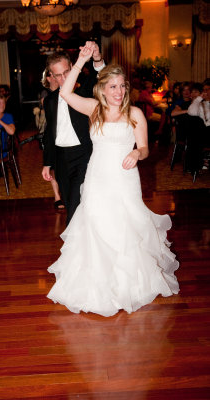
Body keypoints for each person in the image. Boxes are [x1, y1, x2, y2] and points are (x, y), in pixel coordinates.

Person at [46, 43, 180, 317]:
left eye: (122, 86)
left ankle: (127, 284)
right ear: (102, 90)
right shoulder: (94, 109)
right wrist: (81, 60)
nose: (119, 92)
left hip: (124, 179)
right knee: (96, 224)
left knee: (124, 227)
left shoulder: (135, 114)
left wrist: (136, 152)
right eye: (113, 87)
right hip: (97, 178)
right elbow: (65, 92)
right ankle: (97, 283)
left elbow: (144, 148)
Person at [42, 42, 105, 224]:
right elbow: (49, 134)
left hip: (84, 153)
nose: (63, 79)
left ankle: (73, 244)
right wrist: (47, 163)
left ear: (72, 68)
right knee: (69, 201)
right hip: (62, 157)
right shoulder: (50, 101)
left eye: (66, 73)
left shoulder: (85, 90)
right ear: (51, 76)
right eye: (58, 75)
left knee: (78, 201)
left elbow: (99, 74)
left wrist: (96, 57)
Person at [39, 67, 64, 209]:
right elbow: (51, 116)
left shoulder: (66, 90)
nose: (58, 77)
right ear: (48, 78)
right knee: (53, 166)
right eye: (54, 75)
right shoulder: (46, 95)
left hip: (65, 132)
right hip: (53, 133)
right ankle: (57, 196)